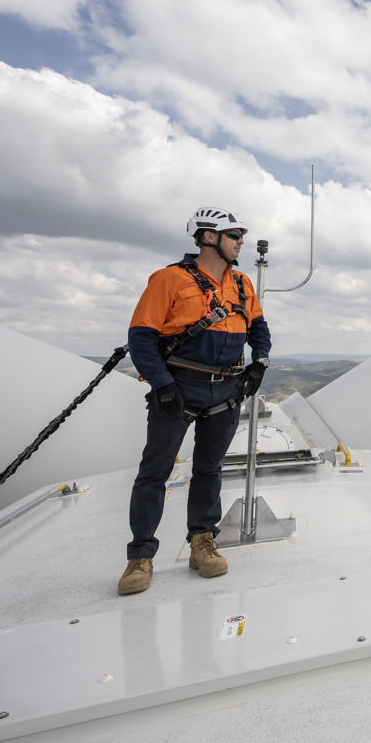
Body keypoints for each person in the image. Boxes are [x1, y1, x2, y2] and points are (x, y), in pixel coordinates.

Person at [118, 206, 271, 595]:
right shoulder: (168, 279)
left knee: (210, 468)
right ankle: (140, 556)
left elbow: (259, 328)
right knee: (155, 471)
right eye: (234, 234)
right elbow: (141, 337)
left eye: (240, 235)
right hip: (180, 387)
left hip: (227, 388)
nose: (241, 242)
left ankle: (202, 543)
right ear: (208, 237)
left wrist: (259, 365)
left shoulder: (241, 284)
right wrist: (163, 385)